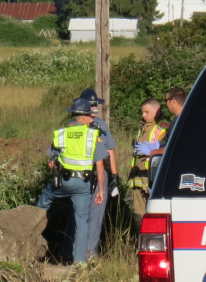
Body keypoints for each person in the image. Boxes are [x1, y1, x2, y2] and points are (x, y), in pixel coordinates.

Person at [37, 97, 107, 264]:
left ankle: (29, 226)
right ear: (83, 117)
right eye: (90, 116)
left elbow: (51, 161)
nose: (92, 118)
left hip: (62, 182)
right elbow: (100, 167)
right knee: (81, 220)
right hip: (83, 185)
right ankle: (79, 263)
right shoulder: (92, 136)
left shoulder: (62, 134)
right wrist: (102, 190)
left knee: (43, 202)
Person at [79, 87, 118, 260]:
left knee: (93, 217)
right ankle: (81, 253)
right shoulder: (77, 125)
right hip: (85, 177)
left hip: (95, 176)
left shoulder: (101, 124)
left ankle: (88, 253)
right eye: (92, 105)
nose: (95, 108)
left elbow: (110, 150)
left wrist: (115, 178)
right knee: (83, 215)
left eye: (96, 105)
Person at [127, 98, 170, 229]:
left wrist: (154, 149)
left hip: (152, 178)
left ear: (156, 111)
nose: (143, 116)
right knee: (138, 215)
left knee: (154, 215)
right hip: (138, 178)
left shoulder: (163, 128)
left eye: (146, 112)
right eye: (142, 112)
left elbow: (167, 150)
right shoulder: (143, 128)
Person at [147, 86, 186, 158]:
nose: (166, 104)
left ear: (173, 101)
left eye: (166, 100)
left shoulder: (177, 123)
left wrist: (151, 152)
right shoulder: (187, 119)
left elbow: (171, 148)